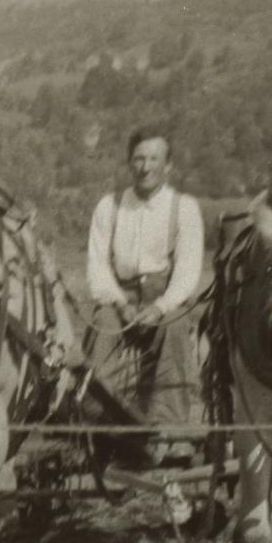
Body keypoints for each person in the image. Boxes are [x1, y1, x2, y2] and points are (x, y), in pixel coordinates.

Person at [85, 127, 205, 463]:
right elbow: (97, 265)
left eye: (154, 159)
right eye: (139, 158)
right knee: (102, 330)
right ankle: (102, 427)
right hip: (119, 297)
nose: (146, 167)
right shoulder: (109, 207)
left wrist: (160, 306)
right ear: (128, 163)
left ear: (168, 166)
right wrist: (120, 303)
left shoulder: (184, 208)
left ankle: (169, 431)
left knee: (175, 327)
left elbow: (188, 270)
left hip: (164, 298)